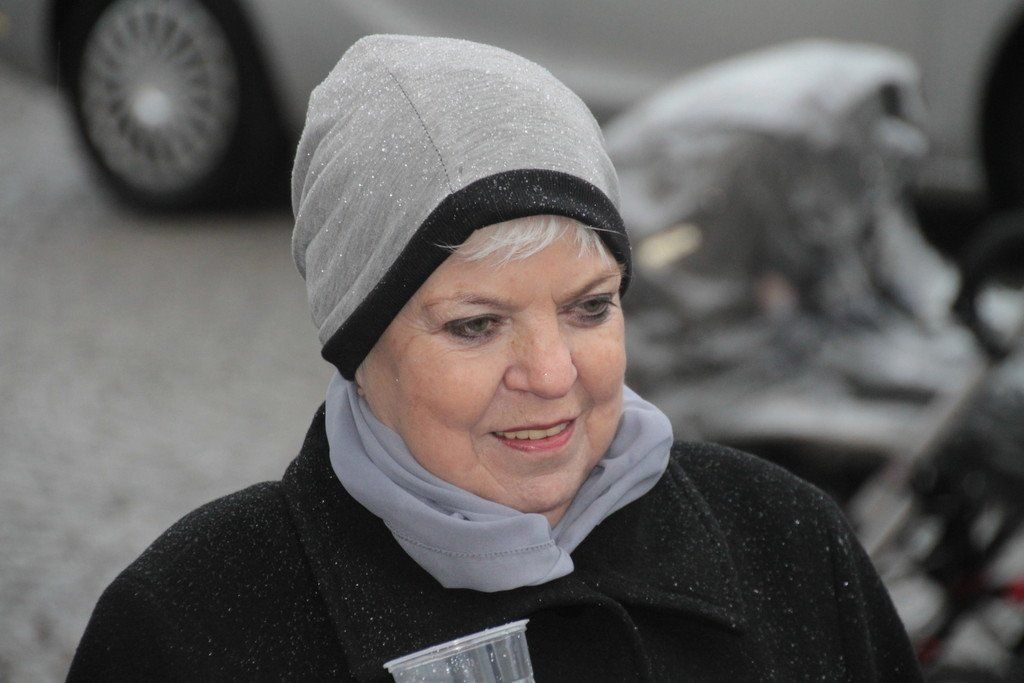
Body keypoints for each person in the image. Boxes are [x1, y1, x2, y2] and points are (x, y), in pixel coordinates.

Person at [68, 35, 921, 681]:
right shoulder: (190, 625)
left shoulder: (790, 544)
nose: (552, 374)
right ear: (358, 345)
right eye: (476, 325)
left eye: (589, 307)